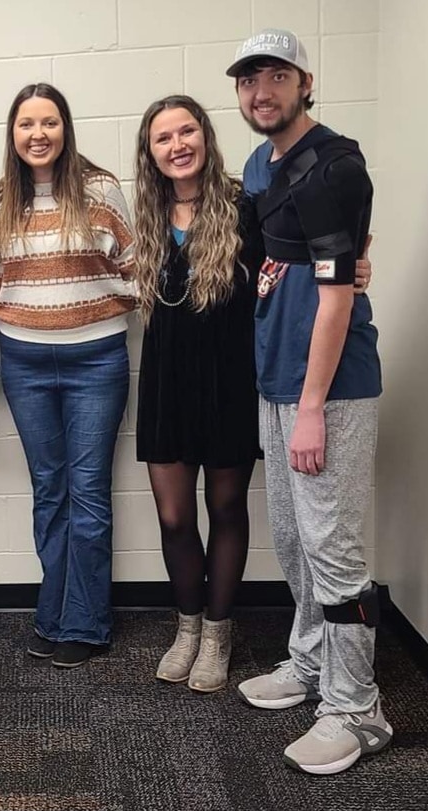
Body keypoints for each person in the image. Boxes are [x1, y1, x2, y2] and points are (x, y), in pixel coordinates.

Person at [227, 29, 391, 774]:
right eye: (248, 79)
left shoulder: (333, 164)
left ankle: (357, 710)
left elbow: (332, 300)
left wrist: (314, 405)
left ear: (304, 80)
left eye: (275, 75)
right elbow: (308, 255)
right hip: (276, 376)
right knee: (293, 540)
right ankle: (310, 663)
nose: (260, 91)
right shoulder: (262, 162)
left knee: (333, 550)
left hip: (327, 387)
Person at [0, 83, 135, 669]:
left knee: (89, 492)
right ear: (13, 134)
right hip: (24, 362)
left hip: (95, 359)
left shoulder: (100, 191)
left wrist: (82, 309)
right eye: (26, 124)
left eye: (49, 122)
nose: (38, 134)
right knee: (50, 491)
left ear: (65, 129)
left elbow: (133, 268)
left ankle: (87, 623)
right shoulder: (0, 200)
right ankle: (53, 614)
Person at [133, 95, 264, 692]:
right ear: (151, 152)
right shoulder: (145, 215)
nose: (177, 145)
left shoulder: (245, 207)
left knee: (226, 510)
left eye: (187, 132)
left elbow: (289, 273)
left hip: (229, 380)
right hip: (166, 381)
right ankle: (186, 629)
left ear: (206, 138)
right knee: (174, 514)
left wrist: (355, 266)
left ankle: (218, 632)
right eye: (164, 138)